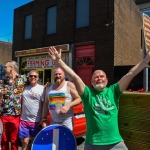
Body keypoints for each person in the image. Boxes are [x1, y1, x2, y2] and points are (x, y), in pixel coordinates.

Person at [47, 46, 150, 150]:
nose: (99, 78)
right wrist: (59, 61)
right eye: (96, 77)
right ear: (91, 82)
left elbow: (130, 74)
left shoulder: (114, 91)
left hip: (115, 142)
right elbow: (74, 76)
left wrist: (145, 61)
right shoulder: (88, 94)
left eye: (102, 76)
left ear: (107, 80)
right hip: (93, 143)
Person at [0, 61, 26, 150]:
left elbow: (34, 84)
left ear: (11, 68)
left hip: (16, 114)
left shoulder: (23, 79)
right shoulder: (2, 81)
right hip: (4, 114)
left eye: (5, 67)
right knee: (4, 139)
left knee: (14, 139)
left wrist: (47, 86)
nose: (4, 69)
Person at [19, 70, 45, 150]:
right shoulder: (23, 87)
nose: (33, 77)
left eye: (35, 76)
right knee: (25, 142)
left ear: (38, 78)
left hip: (36, 121)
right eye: (31, 76)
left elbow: (44, 104)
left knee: (35, 143)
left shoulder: (42, 89)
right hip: (24, 120)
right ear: (28, 77)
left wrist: (43, 119)